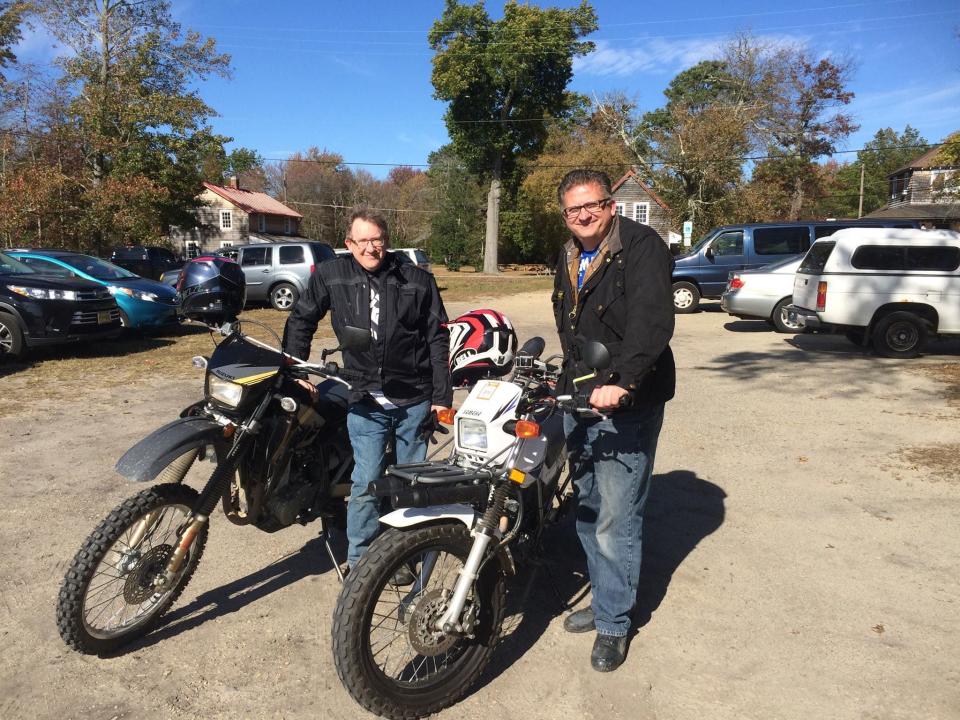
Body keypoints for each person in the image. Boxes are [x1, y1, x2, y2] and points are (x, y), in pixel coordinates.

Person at [551, 169, 676, 672]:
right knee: (587, 506)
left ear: (611, 206)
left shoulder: (642, 247)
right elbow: (569, 322)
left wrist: (622, 381)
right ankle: (605, 599)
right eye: (572, 209)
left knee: (615, 518)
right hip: (580, 395)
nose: (583, 215)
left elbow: (652, 322)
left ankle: (614, 624)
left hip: (628, 398)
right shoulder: (567, 254)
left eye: (592, 206)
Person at [282, 208, 453, 572]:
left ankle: (405, 555)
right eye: (363, 241)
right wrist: (297, 371)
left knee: (411, 482)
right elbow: (301, 319)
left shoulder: (417, 280)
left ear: (386, 241)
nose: (371, 248)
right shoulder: (331, 274)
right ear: (349, 243)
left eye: (377, 240)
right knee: (366, 480)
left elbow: (437, 338)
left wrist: (441, 399)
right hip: (363, 397)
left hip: (414, 397)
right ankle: (361, 561)